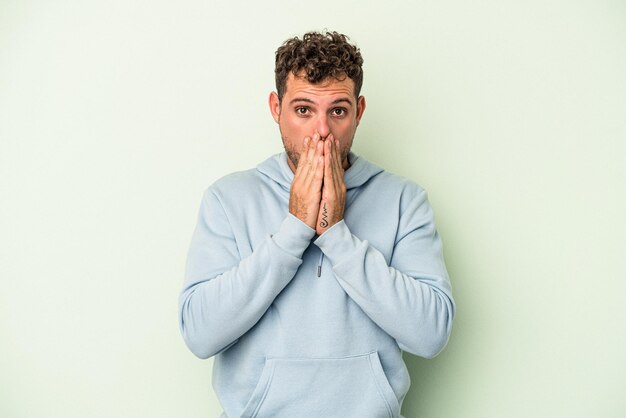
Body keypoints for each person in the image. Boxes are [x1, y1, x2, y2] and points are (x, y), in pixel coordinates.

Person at [179, 31, 455, 418]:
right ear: (277, 108)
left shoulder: (403, 200)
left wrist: (336, 235)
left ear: (358, 111)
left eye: (338, 111)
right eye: (304, 110)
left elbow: (430, 335)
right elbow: (200, 334)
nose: (321, 131)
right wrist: (294, 228)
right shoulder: (228, 199)